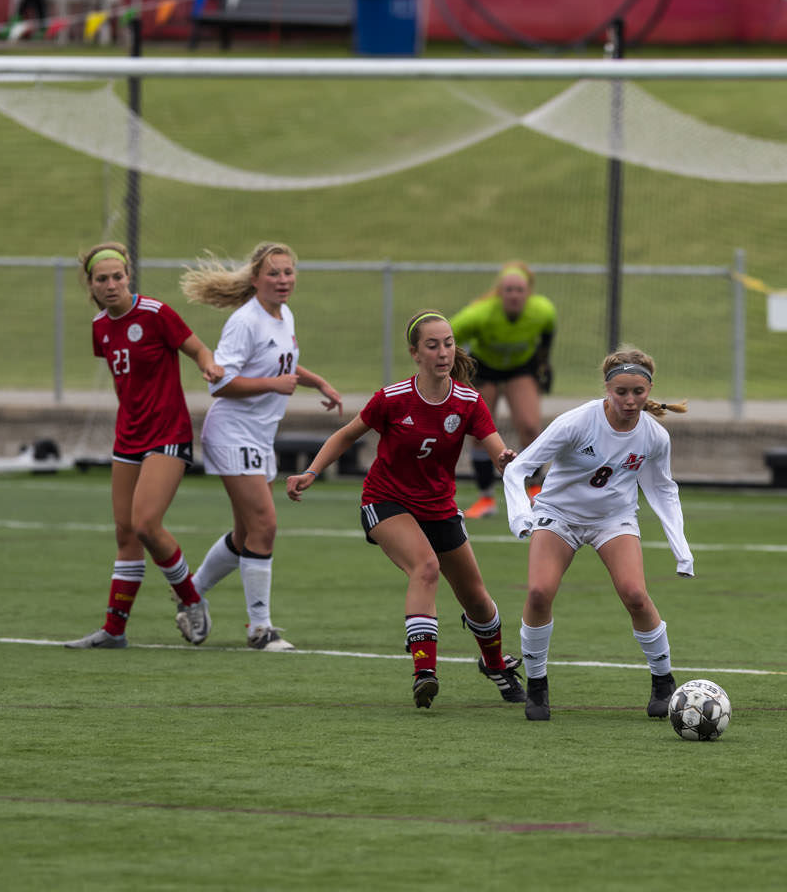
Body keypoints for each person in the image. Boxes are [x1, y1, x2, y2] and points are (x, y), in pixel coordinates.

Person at [283, 311, 525, 710]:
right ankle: (424, 673)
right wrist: (311, 470)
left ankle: (495, 664)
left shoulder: (468, 402)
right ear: (415, 353)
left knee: (477, 601)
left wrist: (506, 460)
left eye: (448, 343)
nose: (443, 352)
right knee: (425, 567)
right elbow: (346, 435)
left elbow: (497, 448)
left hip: (439, 508)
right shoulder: (392, 399)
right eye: (432, 345)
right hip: (385, 501)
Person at [501, 345, 693, 724]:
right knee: (539, 592)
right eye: (621, 392)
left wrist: (681, 549)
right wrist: (522, 516)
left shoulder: (655, 436)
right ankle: (537, 685)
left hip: (613, 518)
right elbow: (519, 467)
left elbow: (663, 489)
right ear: (607, 389)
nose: (630, 400)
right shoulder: (577, 422)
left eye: (638, 392)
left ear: (649, 389)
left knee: (636, 594)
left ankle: (663, 681)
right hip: (559, 515)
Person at [179, 243, 343, 652]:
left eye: (288, 272)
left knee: (246, 531)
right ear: (256, 279)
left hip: (258, 436)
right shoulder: (244, 321)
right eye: (274, 273)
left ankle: (190, 594)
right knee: (265, 526)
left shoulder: (284, 314)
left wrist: (317, 381)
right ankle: (260, 629)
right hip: (232, 432)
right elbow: (219, 381)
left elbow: (281, 362)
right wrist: (273, 385)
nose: (283, 280)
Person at [64, 242, 225, 650]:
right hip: (128, 438)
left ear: (128, 277)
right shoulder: (101, 327)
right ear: (92, 286)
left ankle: (192, 600)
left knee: (146, 524)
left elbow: (197, 347)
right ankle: (114, 631)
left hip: (167, 434)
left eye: (118, 276)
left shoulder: (155, 314)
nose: (112, 284)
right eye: (103, 279)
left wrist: (207, 364)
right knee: (125, 534)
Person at [448, 261, 557, 521]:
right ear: (499, 292)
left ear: (528, 293)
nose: (514, 295)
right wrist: (457, 368)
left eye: (519, 290)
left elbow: (547, 335)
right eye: (508, 290)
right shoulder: (480, 313)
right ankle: (486, 496)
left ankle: (534, 489)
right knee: (479, 431)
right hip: (484, 367)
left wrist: (543, 364)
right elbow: (449, 334)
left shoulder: (542, 311)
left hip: (521, 367)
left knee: (530, 426)